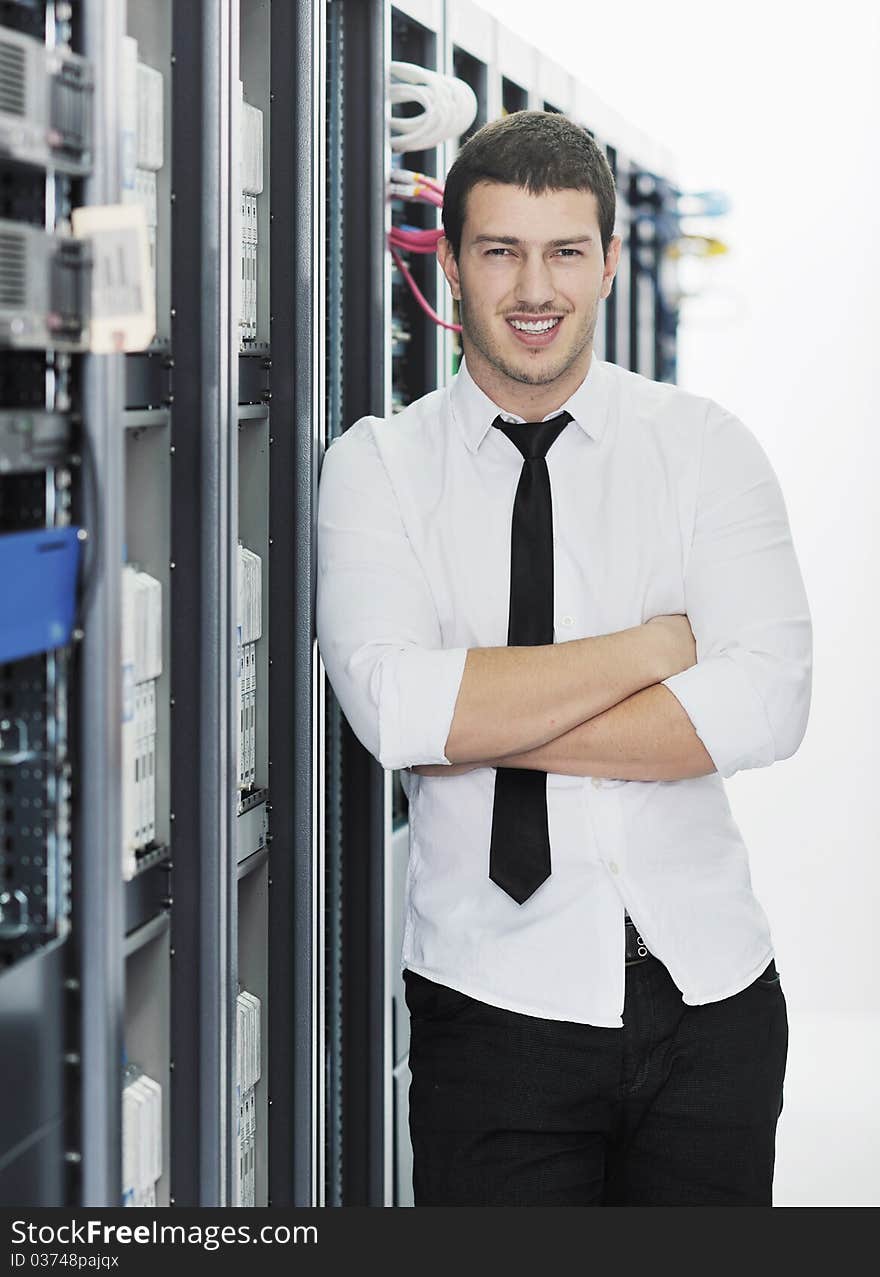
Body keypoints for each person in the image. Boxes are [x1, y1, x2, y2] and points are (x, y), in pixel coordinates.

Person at [315, 110, 812, 1206]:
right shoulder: (377, 468)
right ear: (449, 264)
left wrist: (486, 714)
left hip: (709, 1001)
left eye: (563, 252)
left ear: (603, 262)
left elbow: (766, 703)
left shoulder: (702, 448)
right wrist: (650, 650)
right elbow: (398, 710)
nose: (533, 289)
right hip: (490, 1016)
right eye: (499, 251)